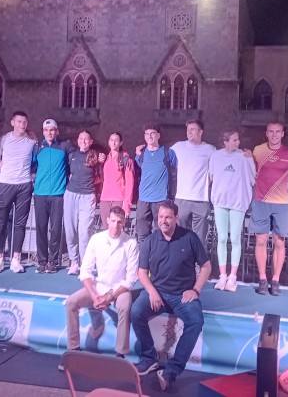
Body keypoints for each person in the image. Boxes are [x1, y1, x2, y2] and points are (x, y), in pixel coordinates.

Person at [131, 200, 211, 391]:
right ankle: (149, 358)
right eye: (160, 217)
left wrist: (195, 290)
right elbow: (141, 272)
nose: (163, 221)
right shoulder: (150, 241)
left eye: (168, 217)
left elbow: (206, 266)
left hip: (182, 296)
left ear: (176, 217)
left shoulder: (190, 238)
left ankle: (171, 372)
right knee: (136, 312)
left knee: (196, 321)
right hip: (157, 293)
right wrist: (152, 292)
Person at [61, 206, 138, 367]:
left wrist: (109, 297)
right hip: (98, 286)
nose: (115, 225)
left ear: (124, 223)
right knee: (71, 302)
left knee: (124, 306)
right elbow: (85, 272)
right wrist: (94, 296)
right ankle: (73, 349)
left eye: (119, 222)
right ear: (107, 220)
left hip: (119, 289)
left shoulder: (131, 243)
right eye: (113, 221)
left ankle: (120, 354)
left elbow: (130, 280)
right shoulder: (96, 239)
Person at [251, 122, 288, 295]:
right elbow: (247, 169)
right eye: (271, 131)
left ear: (282, 134)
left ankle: (275, 281)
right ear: (266, 133)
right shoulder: (257, 151)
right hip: (261, 202)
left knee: (279, 242)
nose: (274, 134)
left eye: (277, 132)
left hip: (281, 204)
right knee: (260, 241)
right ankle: (262, 280)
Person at [208, 129, 255, 292]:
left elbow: (253, 177)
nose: (238, 142)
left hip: (238, 202)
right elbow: (211, 176)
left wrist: (250, 158)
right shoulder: (216, 156)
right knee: (221, 238)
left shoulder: (244, 156)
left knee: (235, 238)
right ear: (225, 142)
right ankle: (222, 276)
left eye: (238, 139)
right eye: (234, 140)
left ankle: (233, 276)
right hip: (220, 202)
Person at [0, 111, 37, 274]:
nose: (22, 125)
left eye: (24, 122)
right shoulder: (4, 139)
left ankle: (16, 259)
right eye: (19, 121)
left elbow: (37, 159)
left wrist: (33, 176)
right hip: (5, 184)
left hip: (24, 185)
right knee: (1, 223)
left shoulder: (32, 140)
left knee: (20, 224)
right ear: (12, 123)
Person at [33, 119, 76, 274]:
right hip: (40, 194)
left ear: (56, 131)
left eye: (52, 130)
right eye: (46, 130)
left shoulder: (65, 145)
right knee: (41, 228)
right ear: (43, 132)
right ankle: (42, 261)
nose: (49, 133)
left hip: (58, 194)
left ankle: (53, 261)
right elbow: (31, 166)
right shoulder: (37, 147)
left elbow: (77, 159)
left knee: (56, 229)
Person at [63, 130, 104, 275]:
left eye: (86, 139)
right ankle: (74, 262)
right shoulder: (72, 155)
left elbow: (101, 175)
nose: (83, 141)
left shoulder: (95, 156)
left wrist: (102, 160)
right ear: (78, 140)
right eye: (81, 138)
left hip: (87, 196)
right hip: (71, 195)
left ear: (91, 141)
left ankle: (85, 265)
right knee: (70, 231)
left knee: (85, 232)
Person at [171, 120, 216, 248]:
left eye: (192, 129)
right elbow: (164, 159)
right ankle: (180, 259)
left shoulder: (210, 150)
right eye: (188, 129)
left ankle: (197, 260)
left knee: (199, 239)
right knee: (178, 236)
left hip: (201, 199)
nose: (189, 132)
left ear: (200, 132)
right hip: (181, 199)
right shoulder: (178, 147)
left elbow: (218, 166)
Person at [134, 123, 178, 243]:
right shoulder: (141, 154)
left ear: (158, 135)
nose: (150, 136)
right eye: (147, 134)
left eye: (152, 133)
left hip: (161, 199)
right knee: (142, 235)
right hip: (143, 200)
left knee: (162, 234)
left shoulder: (168, 153)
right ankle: (144, 255)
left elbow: (176, 171)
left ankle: (160, 254)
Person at [99, 132, 135, 228]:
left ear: (121, 143)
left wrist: (127, 204)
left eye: (116, 140)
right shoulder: (105, 159)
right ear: (108, 142)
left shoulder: (125, 159)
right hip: (105, 199)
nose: (114, 143)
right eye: (111, 140)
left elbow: (130, 183)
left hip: (118, 199)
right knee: (106, 229)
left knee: (116, 228)